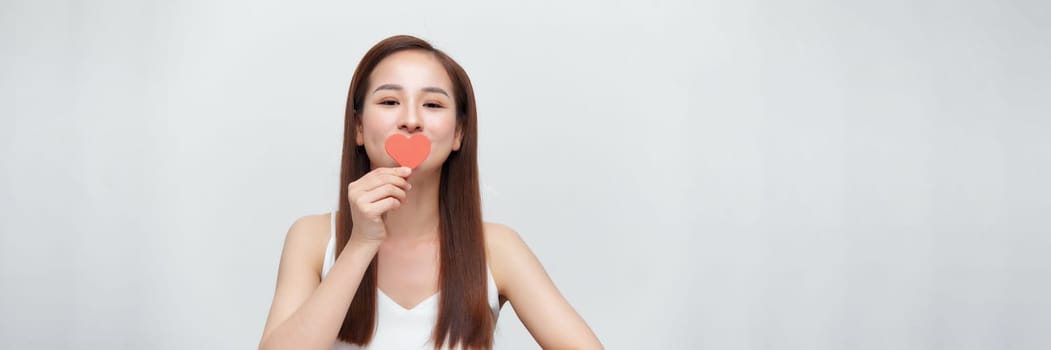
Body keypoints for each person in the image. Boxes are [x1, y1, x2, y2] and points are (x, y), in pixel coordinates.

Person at [258, 35, 602, 350]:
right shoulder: (314, 239)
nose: (411, 120)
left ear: (458, 134)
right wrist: (361, 243)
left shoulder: (497, 248)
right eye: (390, 101)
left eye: (433, 105)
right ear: (359, 127)